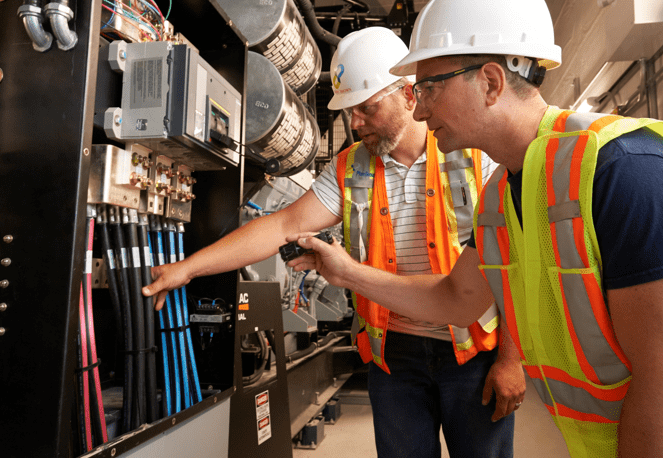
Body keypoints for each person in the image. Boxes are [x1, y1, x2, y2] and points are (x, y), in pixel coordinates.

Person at [286, 0, 663, 458]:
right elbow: (456, 298)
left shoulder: (626, 171)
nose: (418, 111)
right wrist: (343, 270)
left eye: (428, 89)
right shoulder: (503, 195)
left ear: (489, 82)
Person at [143, 26, 523, 458]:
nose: (355, 123)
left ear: (408, 94)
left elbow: (509, 265)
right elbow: (280, 225)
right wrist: (188, 267)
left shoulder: (475, 155)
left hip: (473, 352)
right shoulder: (350, 167)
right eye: (350, 112)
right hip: (392, 356)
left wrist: (512, 358)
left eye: (367, 108)